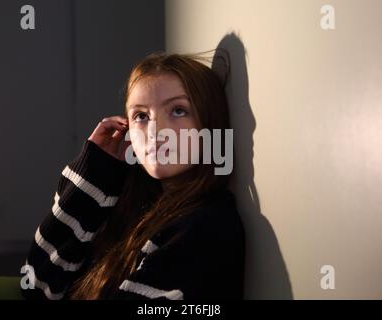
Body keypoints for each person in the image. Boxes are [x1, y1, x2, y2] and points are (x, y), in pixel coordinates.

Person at [21, 52, 245, 300]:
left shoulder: (206, 226)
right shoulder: (129, 201)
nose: (155, 131)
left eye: (179, 110)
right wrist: (94, 171)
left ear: (210, 125)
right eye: (141, 116)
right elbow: (35, 286)